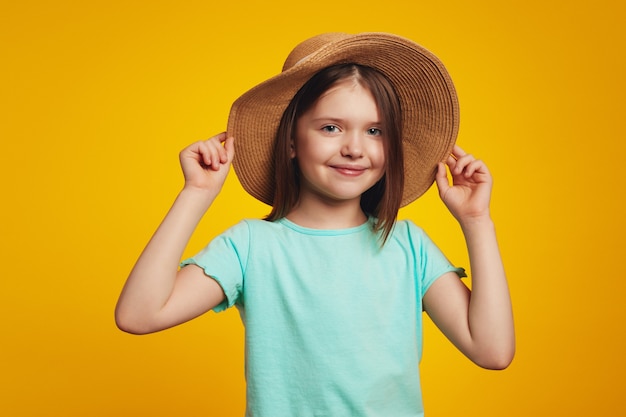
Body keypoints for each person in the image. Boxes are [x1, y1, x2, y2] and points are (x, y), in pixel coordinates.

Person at [115, 32, 515, 416]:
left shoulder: (407, 245)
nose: (354, 148)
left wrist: (477, 221)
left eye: (375, 131)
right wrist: (195, 195)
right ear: (291, 141)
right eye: (331, 128)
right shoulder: (251, 246)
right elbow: (139, 316)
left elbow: (492, 351)